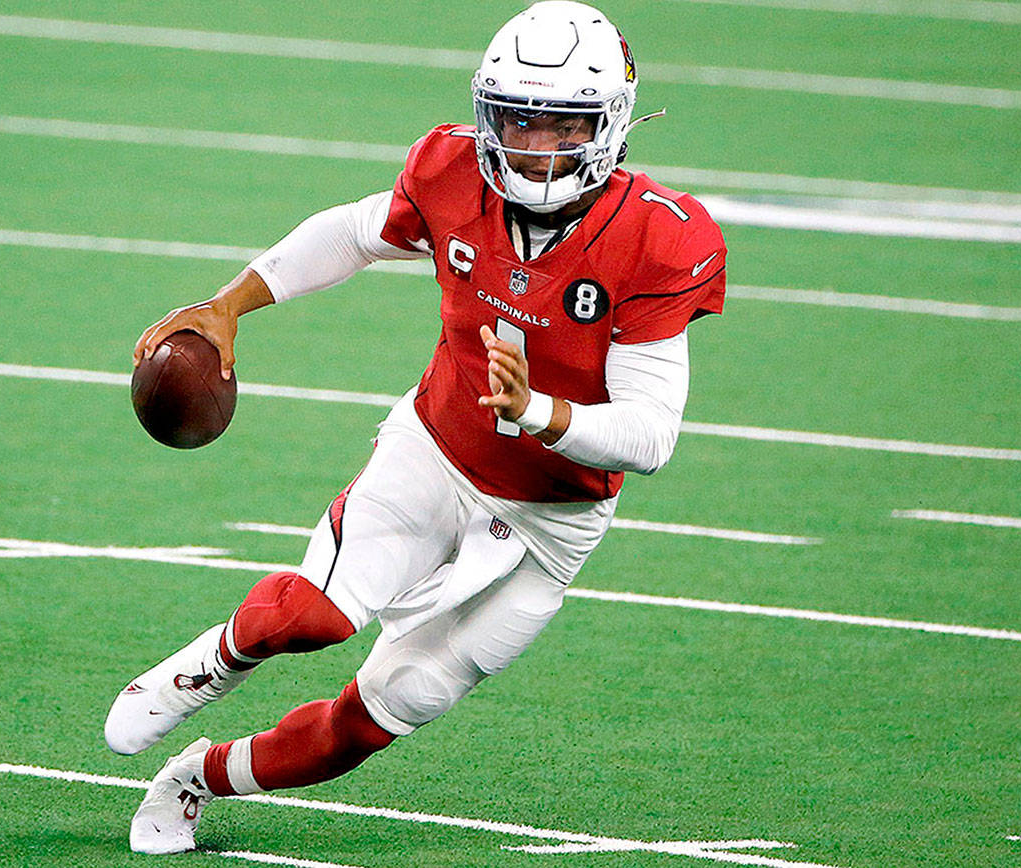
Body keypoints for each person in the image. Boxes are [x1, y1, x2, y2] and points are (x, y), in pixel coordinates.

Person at [106, 0, 727, 854]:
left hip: (552, 522)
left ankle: (193, 777)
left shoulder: (661, 238)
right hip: (438, 448)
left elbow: (650, 437)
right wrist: (230, 305)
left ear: (609, 124)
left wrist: (536, 414)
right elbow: (357, 233)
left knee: (381, 716)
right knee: (316, 615)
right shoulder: (452, 174)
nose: (534, 143)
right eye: (518, 117)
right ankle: (208, 664)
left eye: (561, 124)